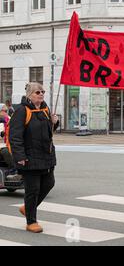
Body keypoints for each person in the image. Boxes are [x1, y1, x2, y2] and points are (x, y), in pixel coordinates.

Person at [8, 82, 59, 233]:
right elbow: (15, 137)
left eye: (42, 91)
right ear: (30, 95)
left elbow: (48, 131)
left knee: (49, 183)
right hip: (29, 157)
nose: (41, 94)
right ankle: (31, 222)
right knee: (33, 189)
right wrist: (20, 156)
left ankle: (27, 207)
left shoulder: (44, 109)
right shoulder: (22, 111)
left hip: (46, 155)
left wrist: (54, 123)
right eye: (38, 92)